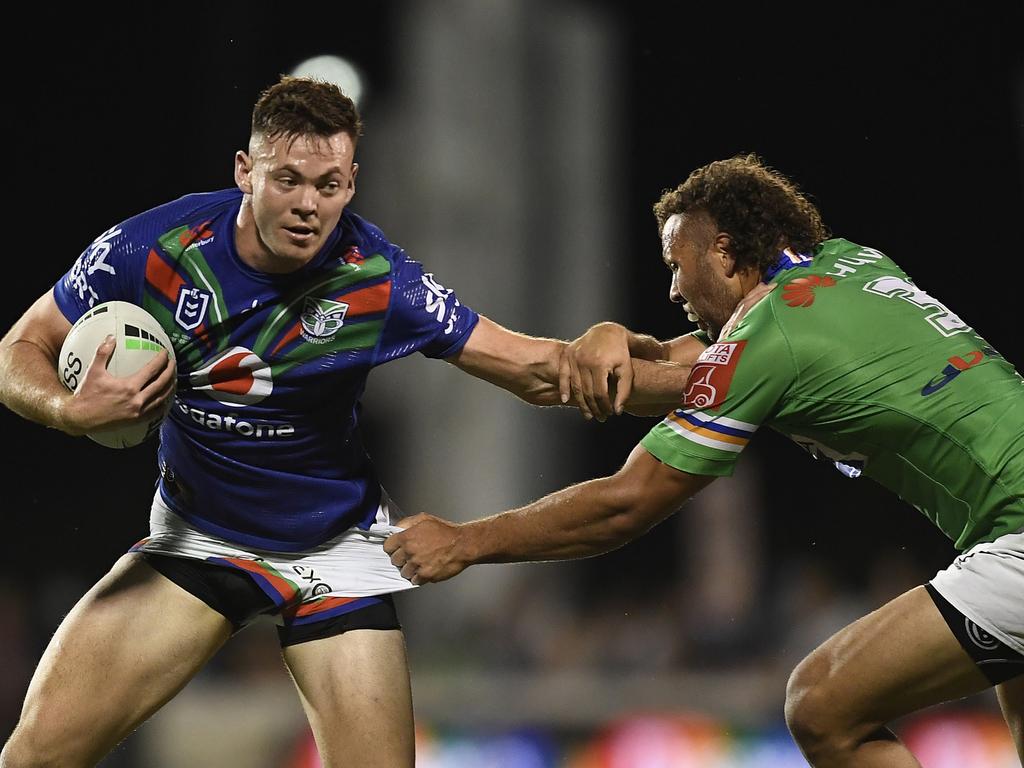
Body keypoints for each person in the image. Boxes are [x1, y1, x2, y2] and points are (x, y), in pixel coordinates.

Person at [0, 76, 692, 767]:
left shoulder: (377, 277)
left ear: (353, 183)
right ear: (245, 171)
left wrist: (696, 375)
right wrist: (68, 409)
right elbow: (18, 350)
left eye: (327, 185)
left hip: (332, 553)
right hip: (199, 542)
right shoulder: (154, 248)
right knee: (33, 758)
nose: (307, 205)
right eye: (288, 180)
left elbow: (539, 373)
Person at [385, 154, 1024, 766]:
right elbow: (702, 365)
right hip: (1005, 526)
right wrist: (614, 342)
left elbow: (625, 505)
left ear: (722, 250)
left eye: (675, 263)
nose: (671, 288)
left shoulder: (772, 340)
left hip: (1017, 532)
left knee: (821, 705)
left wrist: (468, 541)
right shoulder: (847, 265)